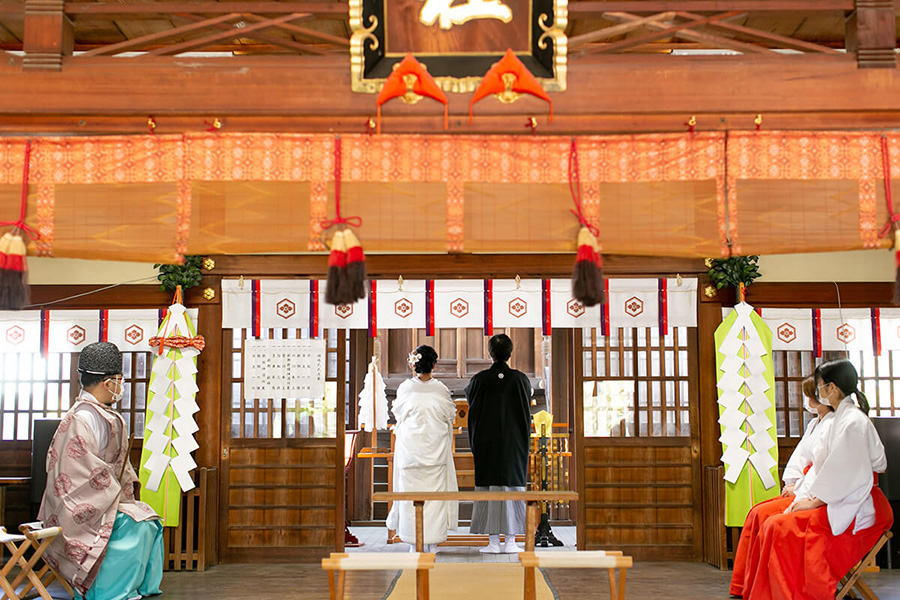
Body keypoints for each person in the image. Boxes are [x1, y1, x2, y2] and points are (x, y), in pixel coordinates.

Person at [739, 359, 893, 600]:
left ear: (832, 388)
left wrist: (813, 501)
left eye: (820, 385)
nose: (817, 391)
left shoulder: (852, 421)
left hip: (857, 502)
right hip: (838, 496)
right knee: (774, 523)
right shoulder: (842, 418)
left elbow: (847, 472)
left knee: (779, 527)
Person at [38, 342, 163, 600]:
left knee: (149, 519)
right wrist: (116, 492)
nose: (121, 386)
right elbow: (81, 473)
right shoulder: (81, 418)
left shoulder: (102, 415)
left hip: (102, 497)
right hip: (78, 505)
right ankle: (108, 591)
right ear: (107, 383)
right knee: (135, 525)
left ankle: (136, 587)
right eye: (119, 380)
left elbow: (114, 467)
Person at [729, 377, 834, 596]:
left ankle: (763, 586)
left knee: (767, 518)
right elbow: (799, 458)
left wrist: (800, 489)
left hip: (812, 491)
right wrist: (792, 481)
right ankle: (744, 584)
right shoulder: (814, 424)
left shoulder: (833, 424)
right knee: (756, 513)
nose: (806, 400)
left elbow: (822, 466)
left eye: (809, 396)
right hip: (803, 484)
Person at [386, 345, 458, 553]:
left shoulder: (405, 388)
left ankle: (413, 542)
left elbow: (398, 414)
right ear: (434, 365)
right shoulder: (440, 389)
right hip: (435, 451)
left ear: (413, 364)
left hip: (410, 451)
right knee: (434, 498)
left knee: (410, 496)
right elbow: (450, 415)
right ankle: (432, 542)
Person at [465, 333, 533, 554]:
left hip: (487, 441)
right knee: (513, 486)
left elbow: (470, 401)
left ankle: (493, 541)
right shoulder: (521, 379)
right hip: (514, 442)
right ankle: (511, 541)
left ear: (490, 353)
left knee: (490, 486)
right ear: (510, 353)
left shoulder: (479, 379)